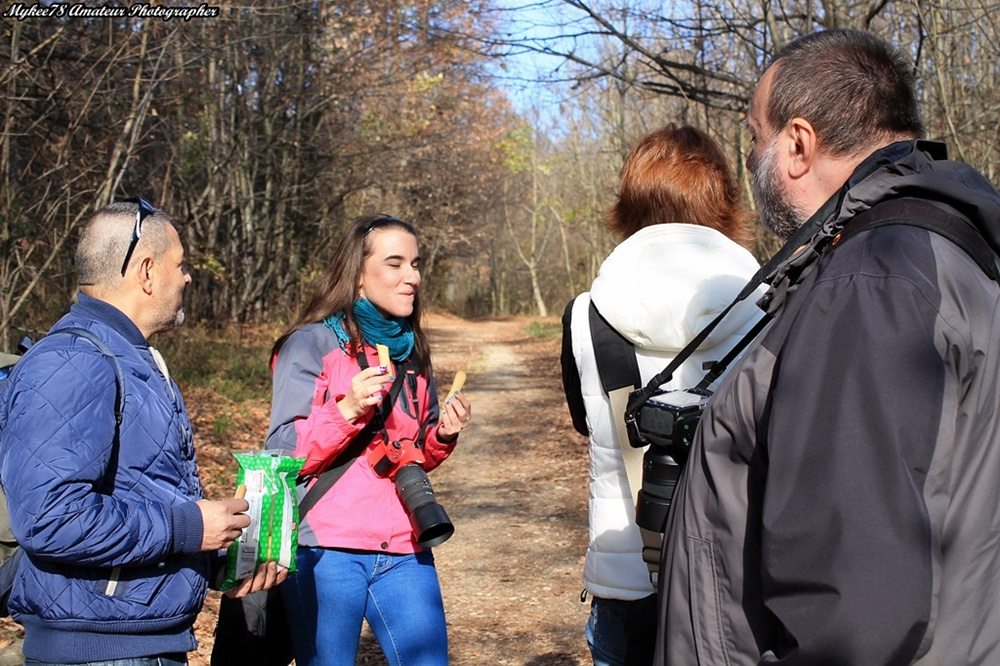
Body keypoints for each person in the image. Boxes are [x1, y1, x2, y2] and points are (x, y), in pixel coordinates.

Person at [656, 30, 1000, 665]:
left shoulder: (872, 284)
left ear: (797, 143)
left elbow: (853, 609)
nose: (753, 156)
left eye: (757, 136)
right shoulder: (945, 250)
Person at [0, 199, 284, 665]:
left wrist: (216, 558)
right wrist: (190, 527)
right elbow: (49, 518)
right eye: (181, 265)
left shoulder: (132, 358)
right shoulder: (74, 361)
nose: (188, 277)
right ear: (147, 272)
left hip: (144, 641)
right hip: (101, 652)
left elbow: (141, 492)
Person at [560, 124, 764, 666]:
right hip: (734, 582)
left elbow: (588, 421)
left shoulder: (587, 315)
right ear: (724, 201)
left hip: (625, 582)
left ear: (628, 201)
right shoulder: (774, 307)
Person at [266, 213, 471, 666]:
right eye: (395, 264)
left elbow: (412, 451)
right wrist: (346, 411)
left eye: (416, 264)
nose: (412, 277)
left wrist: (443, 435)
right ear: (357, 274)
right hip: (326, 547)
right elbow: (280, 453)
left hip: (405, 543)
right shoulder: (310, 344)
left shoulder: (411, 351)